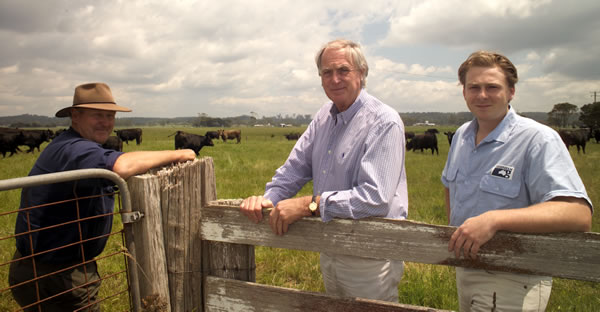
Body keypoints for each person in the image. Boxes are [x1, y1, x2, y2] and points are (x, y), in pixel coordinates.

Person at [240, 39, 408, 302]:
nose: (335, 79)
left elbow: (375, 199)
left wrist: (309, 205)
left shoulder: (384, 121)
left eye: (343, 70)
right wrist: (268, 199)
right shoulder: (323, 117)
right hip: (329, 244)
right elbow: (294, 169)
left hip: (369, 253)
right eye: (327, 72)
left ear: (362, 73)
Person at [9, 82, 196, 311]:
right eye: (98, 115)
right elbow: (120, 166)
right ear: (75, 116)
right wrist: (180, 153)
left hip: (40, 266)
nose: (106, 123)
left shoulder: (69, 145)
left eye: (110, 116)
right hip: (60, 274)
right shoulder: (75, 149)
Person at [442, 51, 593, 311]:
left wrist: (494, 220)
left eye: (492, 87)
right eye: (473, 87)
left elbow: (578, 214)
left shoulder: (537, 139)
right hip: (465, 269)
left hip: (514, 275)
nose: (482, 95)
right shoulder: (462, 136)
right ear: (464, 92)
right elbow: (448, 186)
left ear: (511, 91)